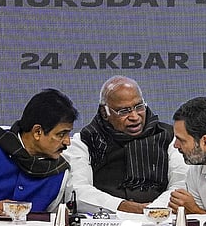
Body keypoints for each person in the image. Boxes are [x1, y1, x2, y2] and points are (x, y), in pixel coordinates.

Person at [64, 76, 186, 213]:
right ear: (105, 113)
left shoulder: (170, 137)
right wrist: (124, 207)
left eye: (139, 107)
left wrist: (153, 210)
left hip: (161, 220)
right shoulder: (85, 140)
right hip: (105, 223)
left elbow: (181, 184)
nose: (134, 116)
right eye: (124, 111)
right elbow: (77, 191)